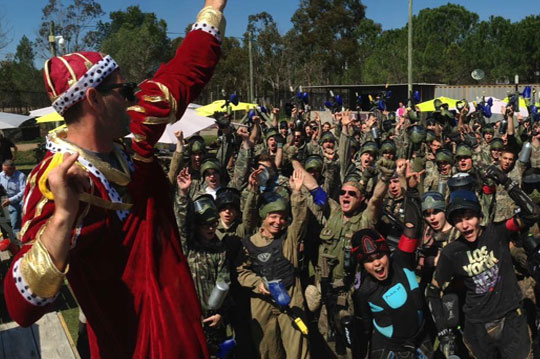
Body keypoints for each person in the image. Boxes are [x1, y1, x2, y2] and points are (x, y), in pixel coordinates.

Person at [3, 1, 227, 358]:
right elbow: (21, 308)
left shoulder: (129, 138)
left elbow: (182, 76)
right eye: (124, 91)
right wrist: (63, 216)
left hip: (180, 332)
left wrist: (212, 9)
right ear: (94, 99)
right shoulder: (57, 182)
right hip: (131, 348)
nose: (133, 97)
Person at [426, 165, 540, 359]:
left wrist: (506, 181)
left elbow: (532, 213)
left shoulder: (497, 232)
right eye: (459, 219)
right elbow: (432, 292)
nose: (465, 225)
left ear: (479, 216)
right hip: (477, 328)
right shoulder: (451, 252)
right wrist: (443, 333)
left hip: (511, 320)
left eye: (469, 217)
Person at [237, 170, 310, 359]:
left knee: (298, 350)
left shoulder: (289, 238)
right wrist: (257, 283)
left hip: (291, 296)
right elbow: (242, 271)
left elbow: (300, 220)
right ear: (264, 217)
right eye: (273, 217)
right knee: (268, 350)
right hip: (262, 302)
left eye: (282, 218)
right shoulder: (250, 243)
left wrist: (296, 194)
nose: (278, 222)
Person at [353, 187, 433, 359]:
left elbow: (411, 229)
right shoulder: (364, 292)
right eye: (368, 260)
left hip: (422, 342)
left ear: (388, 253)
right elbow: (365, 328)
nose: (377, 264)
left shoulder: (401, 259)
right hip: (389, 350)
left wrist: (412, 191)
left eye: (379, 256)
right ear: (362, 265)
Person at [0, 159, 26, 234]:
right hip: (5, 200)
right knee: (4, 222)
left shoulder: (21, 176)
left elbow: (23, 192)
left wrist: (10, 200)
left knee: (15, 223)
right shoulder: (1, 175)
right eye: (3, 170)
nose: (4, 172)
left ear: (13, 169)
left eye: (7, 170)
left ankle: (17, 239)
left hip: (18, 200)